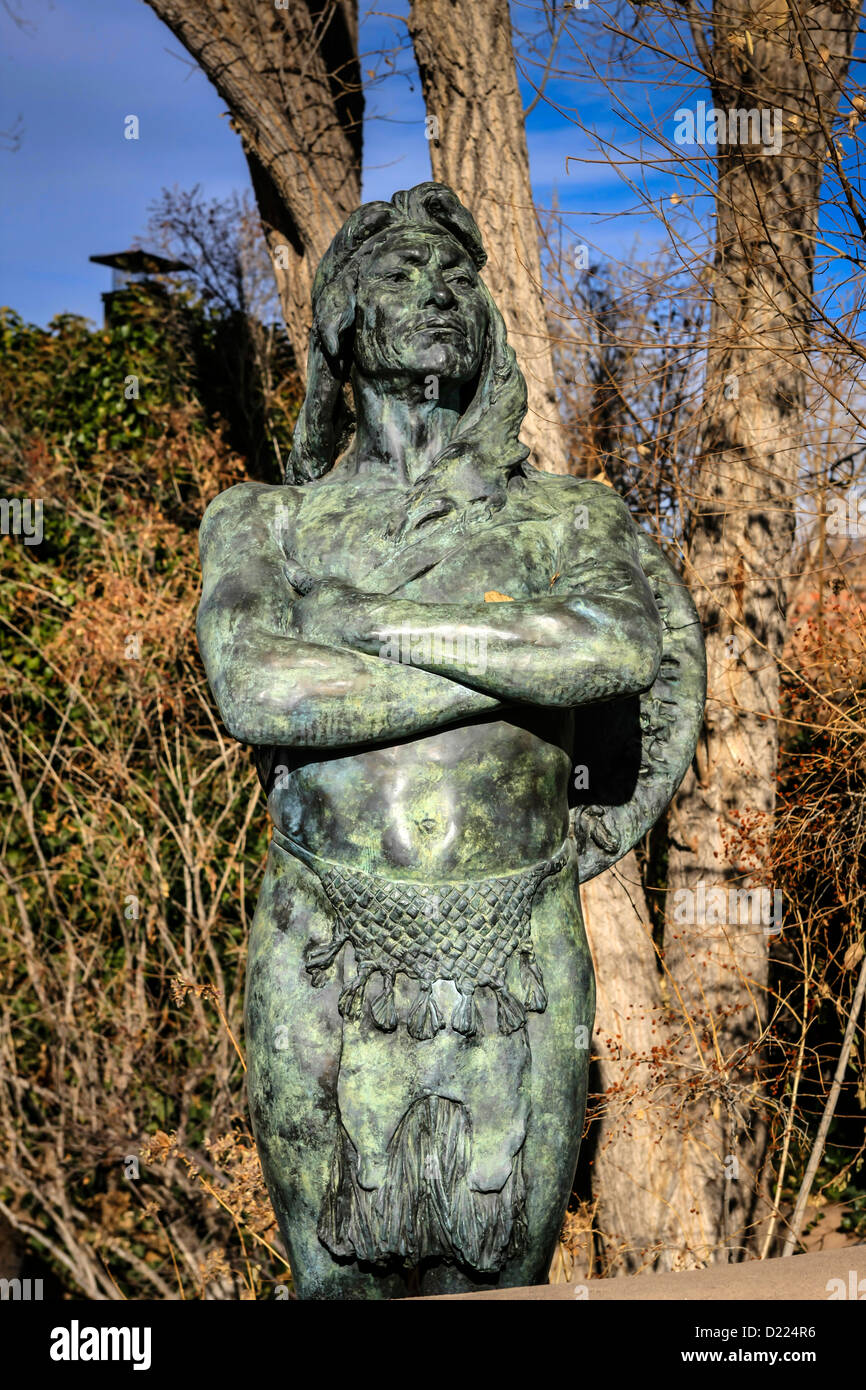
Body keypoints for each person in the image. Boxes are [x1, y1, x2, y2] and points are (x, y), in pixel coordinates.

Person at [197, 183, 664, 1299]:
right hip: (321, 939)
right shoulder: (263, 520)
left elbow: (611, 650)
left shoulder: (566, 516)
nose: (438, 296)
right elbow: (261, 689)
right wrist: (508, 670)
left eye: (458, 277)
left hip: (517, 939)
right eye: (402, 277)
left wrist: (371, 628)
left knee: (499, 1284)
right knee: (333, 1285)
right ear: (343, 321)